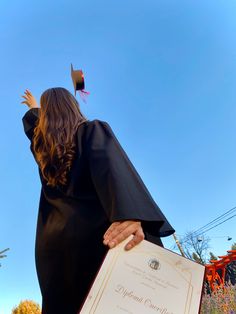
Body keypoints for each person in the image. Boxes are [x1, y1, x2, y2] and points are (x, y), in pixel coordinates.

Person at [21, 87, 175, 314]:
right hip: (100, 241)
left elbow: (35, 130)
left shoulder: (44, 157)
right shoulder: (91, 131)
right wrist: (130, 213)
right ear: (73, 108)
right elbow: (112, 168)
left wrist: (34, 108)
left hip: (58, 258)